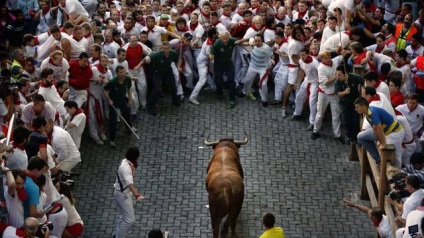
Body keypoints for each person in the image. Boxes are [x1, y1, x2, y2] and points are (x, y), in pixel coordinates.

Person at [355, 97, 405, 168]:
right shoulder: (367, 113)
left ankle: (397, 174)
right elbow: (375, 129)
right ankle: (378, 159)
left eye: (357, 107)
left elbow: (379, 129)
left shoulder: (372, 112)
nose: (355, 109)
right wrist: (380, 141)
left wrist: (383, 144)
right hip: (386, 132)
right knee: (360, 137)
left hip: (395, 133)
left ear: (363, 106)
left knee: (396, 156)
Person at [113, 147, 145, 238]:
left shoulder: (127, 162)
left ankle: (118, 234)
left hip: (124, 193)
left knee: (125, 216)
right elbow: (130, 184)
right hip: (122, 195)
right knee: (130, 220)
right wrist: (137, 195)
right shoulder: (126, 168)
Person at [143, 42, 181, 116]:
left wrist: (178, 67)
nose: (166, 50)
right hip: (158, 72)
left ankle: (175, 100)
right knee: (157, 89)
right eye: (164, 49)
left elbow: (176, 61)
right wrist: (137, 67)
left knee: (173, 86)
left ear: (170, 48)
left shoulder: (174, 53)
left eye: (167, 49)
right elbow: (145, 59)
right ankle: (150, 106)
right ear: (162, 48)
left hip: (168, 71)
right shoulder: (156, 54)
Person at [103, 66, 135, 147]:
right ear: (117, 73)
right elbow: (105, 90)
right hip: (114, 102)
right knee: (113, 120)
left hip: (122, 99)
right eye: (121, 72)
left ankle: (129, 127)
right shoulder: (112, 82)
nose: (123, 74)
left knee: (127, 113)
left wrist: (130, 99)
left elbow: (129, 89)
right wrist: (109, 99)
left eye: (123, 72)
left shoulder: (127, 79)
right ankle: (112, 139)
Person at [209, 30, 242, 108]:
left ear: (229, 37)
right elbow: (211, 53)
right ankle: (220, 92)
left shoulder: (231, 40)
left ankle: (232, 98)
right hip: (219, 64)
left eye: (226, 38)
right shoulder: (217, 43)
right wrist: (211, 56)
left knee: (231, 79)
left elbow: (238, 41)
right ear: (220, 37)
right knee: (218, 80)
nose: (225, 40)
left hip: (228, 63)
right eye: (223, 39)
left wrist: (245, 41)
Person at [334, 66, 364, 144]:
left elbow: (364, 82)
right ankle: (348, 136)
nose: (338, 77)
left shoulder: (354, 77)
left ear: (345, 74)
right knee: (346, 120)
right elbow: (338, 93)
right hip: (344, 103)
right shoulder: (337, 82)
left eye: (340, 75)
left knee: (355, 120)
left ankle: (355, 137)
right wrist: (344, 92)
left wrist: (363, 92)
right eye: (337, 75)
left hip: (355, 104)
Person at [242, 34, 273, 107]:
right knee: (247, 80)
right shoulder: (252, 43)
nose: (257, 42)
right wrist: (248, 44)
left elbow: (270, 57)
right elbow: (243, 43)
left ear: (261, 40)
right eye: (256, 41)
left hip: (263, 68)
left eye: (259, 41)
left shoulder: (266, 48)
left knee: (264, 84)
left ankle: (264, 99)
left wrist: (269, 68)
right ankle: (244, 91)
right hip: (253, 66)